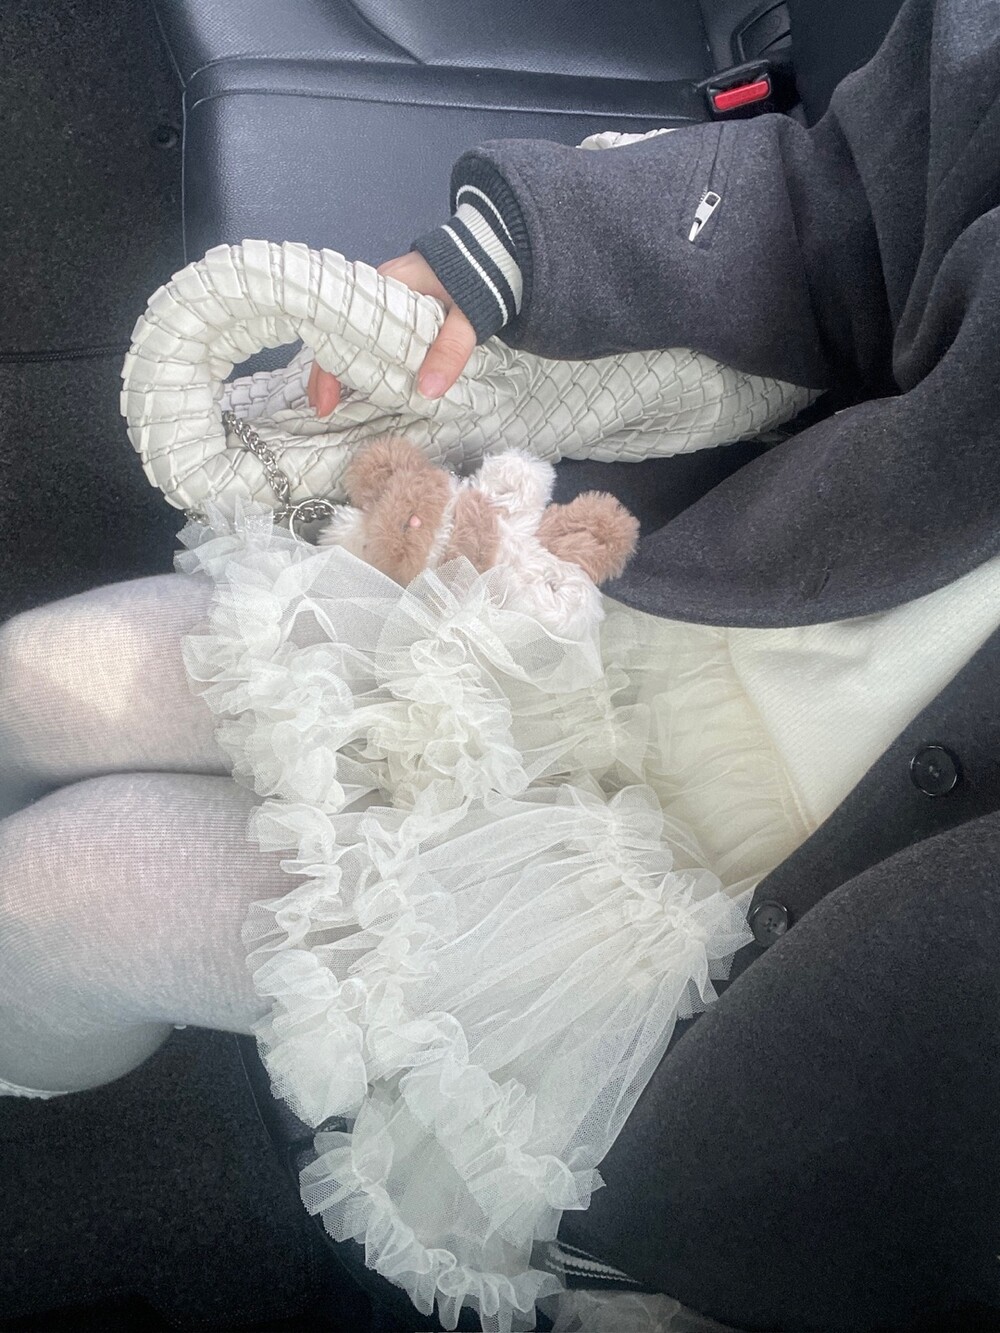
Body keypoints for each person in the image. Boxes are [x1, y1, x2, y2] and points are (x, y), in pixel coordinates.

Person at [2, 0, 999, 1328]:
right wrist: (515, 252)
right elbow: (853, 205)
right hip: (678, 615)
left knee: (60, 893)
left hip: (736, 979)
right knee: (37, 678)